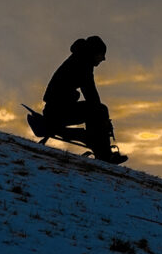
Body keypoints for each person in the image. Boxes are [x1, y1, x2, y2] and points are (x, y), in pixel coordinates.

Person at [40, 35, 127, 164]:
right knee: (98, 110)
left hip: (55, 110)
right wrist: (104, 121)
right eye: (101, 54)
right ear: (94, 52)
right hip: (57, 113)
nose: (103, 58)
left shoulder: (80, 59)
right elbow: (90, 93)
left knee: (97, 110)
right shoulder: (82, 64)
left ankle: (101, 150)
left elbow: (90, 94)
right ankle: (103, 154)